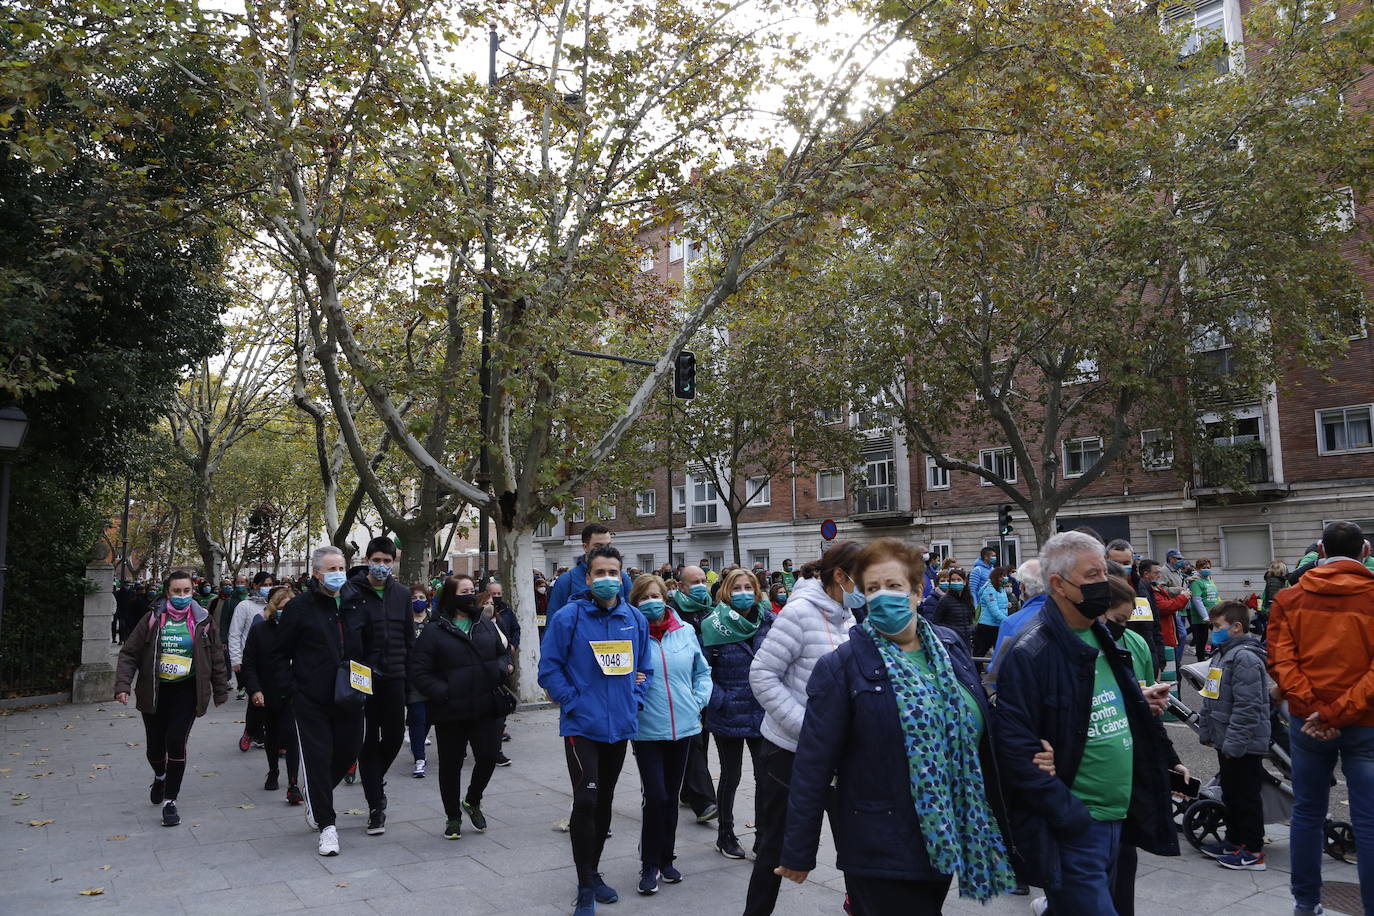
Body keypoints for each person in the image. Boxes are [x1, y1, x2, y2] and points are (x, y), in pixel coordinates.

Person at [778, 538, 1025, 913]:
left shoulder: (950, 646)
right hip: (880, 844)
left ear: (918, 590)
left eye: (893, 586)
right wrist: (798, 851)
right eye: (872, 588)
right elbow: (813, 766)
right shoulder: (841, 666)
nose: (882, 597)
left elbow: (980, 727)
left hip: (947, 833)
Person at [993, 531, 1180, 916]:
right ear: (1059, 585)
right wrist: (1071, 817)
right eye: (1093, 575)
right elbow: (1014, 750)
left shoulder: (1101, 634)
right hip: (1078, 825)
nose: (1105, 585)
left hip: (1117, 819)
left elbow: (1089, 703)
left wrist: (1139, 708)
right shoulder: (1032, 652)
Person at [537, 544, 652, 916]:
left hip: (619, 726)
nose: (607, 580)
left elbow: (644, 667)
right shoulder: (569, 617)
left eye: (613, 573)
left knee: (603, 802)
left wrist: (635, 697)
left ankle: (592, 872)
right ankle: (585, 885)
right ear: (587, 578)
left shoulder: (635, 618)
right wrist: (573, 700)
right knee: (585, 799)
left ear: (622, 577)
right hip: (581, 727)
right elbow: (549, 668)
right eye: (599, 573)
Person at [748, 542, 860, 916]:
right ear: (841, 577)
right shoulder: (798, 613)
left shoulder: (850, 617)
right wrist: (807, 728)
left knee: (856, 844)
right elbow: (762, 675)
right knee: (777, 848)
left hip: (839, 756)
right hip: (788, 754)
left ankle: (859, 904)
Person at [1268, 520, 1374, 915]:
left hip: (1307, 720)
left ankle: (1305, 903)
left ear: (1322, 552)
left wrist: (1316, 709)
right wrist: (1336, 711)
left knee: (1308, 812)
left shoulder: (1290, 598)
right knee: (1368, 820)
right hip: (1364, 720)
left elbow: (1280, 659)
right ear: (1364, 551)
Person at [272, 546, 375, 857]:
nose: (337, 574)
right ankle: (327, 826)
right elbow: (279, 653)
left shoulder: (357, 604)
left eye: (340, 567)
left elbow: (370, 645)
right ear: (316, 573)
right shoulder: (299, 608)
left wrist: (371, 676)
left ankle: (316, 797)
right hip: (311, 699)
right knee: (317, 759)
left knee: (348, 751)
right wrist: (293, 688)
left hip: (351, 696)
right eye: (330, 569)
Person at [113, 570, 229, 828]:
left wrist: (220, 690)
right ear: (167, 593)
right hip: (154, 690)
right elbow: (129, 653)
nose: (182, 596)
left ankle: (170, 801)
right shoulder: (153, 618)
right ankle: (160, 775)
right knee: (155, 748)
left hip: (187, 691)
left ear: (193, 592)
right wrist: (122, 685)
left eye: (186, 591)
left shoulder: (203, 621)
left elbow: (216, 658)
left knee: (176, 741)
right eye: (177, 592)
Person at [1102, 575, 1187, 916]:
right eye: (1117, 620)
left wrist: (1171, 758)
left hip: (1126, 782)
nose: (1122, 627)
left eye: (1126, 621)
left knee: (1123, 865)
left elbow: (1145, 710)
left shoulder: (1131, 645)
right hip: (1093, 794)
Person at [410, 573, 514, 840]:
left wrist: (502, 669)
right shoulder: (434, 630)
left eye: (472, 590)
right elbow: (419, 671)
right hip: (451, 711)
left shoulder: (485, 624)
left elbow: (503, 652)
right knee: (450, 765)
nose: (470, 596)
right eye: (464, 591)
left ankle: (473, 800)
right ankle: (452, 816)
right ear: (450, 596)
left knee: (489, 756)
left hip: (486, 705)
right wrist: (442, 692)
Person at [629, 574, 711, 895]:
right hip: (647, 729)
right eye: (644, 597)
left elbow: (702, 671)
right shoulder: (630, 635)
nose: (652, 601)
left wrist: (698, 699)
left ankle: (666, 858)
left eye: (656, 595)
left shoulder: (686, 631)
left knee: (673, 799)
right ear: (635, 603)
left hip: (684, 727)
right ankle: (649, 864)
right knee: (657, 797)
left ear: (667, 597)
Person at [341, 537, 414, 837]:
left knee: (396, 735)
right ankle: (376, 806)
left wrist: (412, 675)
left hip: (395, 676)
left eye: (387, 561)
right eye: (377, 560)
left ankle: (373, 778)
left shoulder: (402, 594)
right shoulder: (351, 592)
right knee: (367, 740)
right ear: (368, 559)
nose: (382, 566)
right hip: (363, 677)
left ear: (394, 562)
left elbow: (409, 637)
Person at [703, 567, 777, 861]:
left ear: (757, 591)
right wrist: (720, 699)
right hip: (728, 713)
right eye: (737, 588)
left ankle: (762, 837)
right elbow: (701, 670)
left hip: (761, 712)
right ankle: (725, 834)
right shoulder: (713, 624)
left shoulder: (769, 622)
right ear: (725, 592)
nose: (743, 593)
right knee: (730, 776)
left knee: (764, 777)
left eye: (749, 587)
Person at [1193, 599, 1271, 870]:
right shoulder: (1222, 654)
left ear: (1237, 627)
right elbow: (1210, 697)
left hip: (1242, 743)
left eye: (1217, 626)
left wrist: (1234, 744)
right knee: (1233, 794)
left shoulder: (1245, 657)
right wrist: (1208, 732)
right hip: (1227, 740)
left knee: (1246, 796)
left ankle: (1252, 850)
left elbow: (1249, 707)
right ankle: (1235, 840)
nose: (1213, 630)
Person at [241, 584, 303, 805]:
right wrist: (255, 690)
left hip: (293, 693)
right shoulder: (260, 631)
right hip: (268, 693)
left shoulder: (301, 632)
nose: (287, 611)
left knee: (292, 737)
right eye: (283, 607)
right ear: (273, 607)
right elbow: (249, 663)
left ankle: (293, 784)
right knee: (273, 736)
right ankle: (273, 770)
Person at [668, 564, 720, 826]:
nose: (701, 585)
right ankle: (704, 800)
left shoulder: (711, 611)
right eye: (694, 582)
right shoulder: (673, 613)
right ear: (681, 587)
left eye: (703, 580)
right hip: (682, 688)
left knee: (702, 740)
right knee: (694, 742)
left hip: (707, 685)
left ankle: (688, 791)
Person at [547, 524, 635, 621]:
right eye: (598, 546)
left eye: (608, 546)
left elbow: (633, 616)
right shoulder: (566, 581)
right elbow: (554, 621)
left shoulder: (622, 578)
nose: (604, 550)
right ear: (585, 547)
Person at [229, 571, 274, 753]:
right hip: (251, 661)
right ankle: (249, 732)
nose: (267, 588)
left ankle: (263, 735)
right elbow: (235, 633)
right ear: (255, 585)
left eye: (271, 584)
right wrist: (236, 659)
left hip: (272, 662)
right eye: (264, 584)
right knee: (255, 699)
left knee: (271, 701)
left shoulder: (275, 606)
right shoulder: (244, 606)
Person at [406, 584, 432, 776]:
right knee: (418, 718)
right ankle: (419, 758)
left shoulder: (435, 621)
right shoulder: (404, 622)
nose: (418, 601)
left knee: (429, 718)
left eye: (421, 597)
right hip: (413, 678)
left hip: (433, 677)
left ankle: (417, 744)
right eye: (414, 598)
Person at [928, 566, 975, 649]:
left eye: (958, 580)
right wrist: (952, 630)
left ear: (964, 582)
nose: (955, 582)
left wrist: (971, 629)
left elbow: (970, 619)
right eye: (953, 580)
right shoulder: (945, 600)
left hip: (966, 640)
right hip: (952, 642)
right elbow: (936, 622)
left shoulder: (968, 599)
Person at [973, 565, 1011, 656]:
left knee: (999, 654)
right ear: (996, 577)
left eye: (1006, 575)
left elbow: (1000, 605)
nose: (1006, 578)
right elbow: (994, 611)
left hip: (998, 625)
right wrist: (1008, 620)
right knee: (980, 653)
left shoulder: (1001, 589)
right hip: (987, 627)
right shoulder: (989, 590)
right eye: (1003, 576)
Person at [1187, 558, 1219, 660]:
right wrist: (1205, 617)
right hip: (1201, 618)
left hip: (1214, 615)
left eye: (1208, 567)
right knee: (1201, 643)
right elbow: (1197, 600)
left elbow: (1215, 596)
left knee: (1218, 638)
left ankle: (1212, 660)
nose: (1206, 569)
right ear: (1197, 568)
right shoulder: (1196, 581)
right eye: (1203, 568)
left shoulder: (1209, 579)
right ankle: (1201, 665)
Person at [967, 546, 998, 614]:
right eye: (993, 556)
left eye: (995, 556)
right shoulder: (977, 570)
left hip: (992, 605)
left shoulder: (993, 570)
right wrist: (975, 607)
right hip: (981, 607)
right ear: (986, 557)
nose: (995, 558)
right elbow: (972, 590)